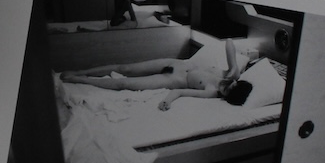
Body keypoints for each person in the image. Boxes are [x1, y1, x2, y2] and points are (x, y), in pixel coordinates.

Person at [60, 38, 251, 110]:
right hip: (175, 63)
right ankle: (81, 71)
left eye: (226, 92)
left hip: (173, 80)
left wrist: (167, 101)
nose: (224, 88)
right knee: (125, 69)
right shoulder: (231, 73)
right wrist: (234, 67)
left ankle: (78, 79)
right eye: (230, 86)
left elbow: (181, 92)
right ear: (235, 82)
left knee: (124, 83)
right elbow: (229, 42)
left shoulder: (211, 92)